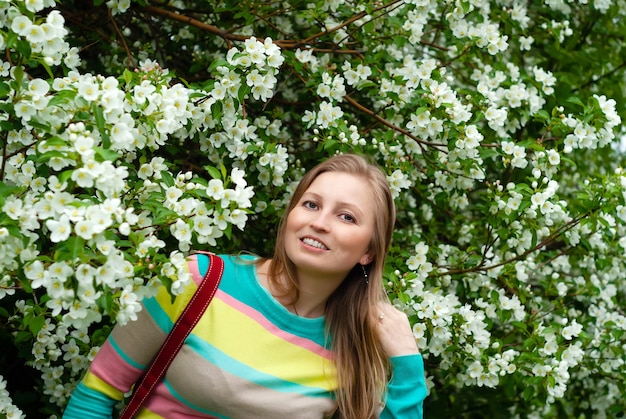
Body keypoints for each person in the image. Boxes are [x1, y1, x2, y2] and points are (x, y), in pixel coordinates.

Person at [63, 153, 427, 418]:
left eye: (346, 216)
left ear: (368, 252)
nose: (319, 223)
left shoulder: (351, 346)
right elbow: (94, 396)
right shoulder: (198, 281)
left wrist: (407, 364)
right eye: (311, 204)